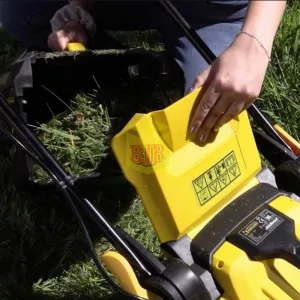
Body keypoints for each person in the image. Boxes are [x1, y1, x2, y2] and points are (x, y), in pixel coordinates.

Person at [0, 0, 286, 142]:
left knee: (201, 121)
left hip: (209, 11)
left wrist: (253, 45)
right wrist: (78, 11)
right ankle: (110, 66)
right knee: (20, 9)